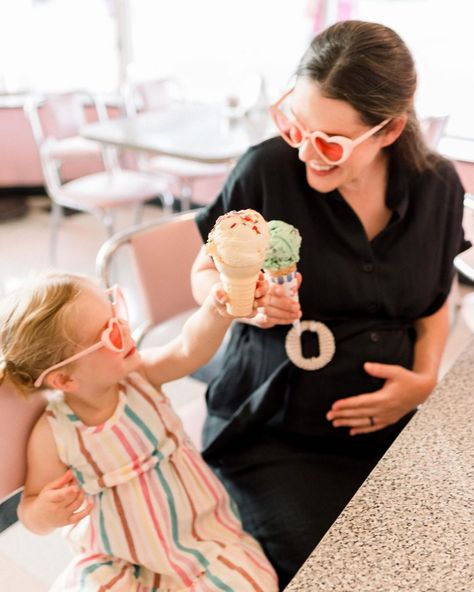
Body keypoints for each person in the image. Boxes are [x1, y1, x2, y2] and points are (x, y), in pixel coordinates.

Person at [190, 20, 469, 589]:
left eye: (331, 141)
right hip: (274, 427)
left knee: (446, 553)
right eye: (297, 125)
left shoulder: (437, 187)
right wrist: (235, 302)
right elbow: (202, 271)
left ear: (389, 130)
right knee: (344, 572)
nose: (306, 152)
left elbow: (434, 300)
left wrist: (424, 379)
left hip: (396, 422)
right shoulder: (265, 170)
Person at [0, 271, 278, 591]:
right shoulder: (53, 434)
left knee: (253, 583)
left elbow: (188, 349)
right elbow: (31, 506)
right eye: (111, 335)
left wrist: (215, 312)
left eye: (117, 314)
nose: (126, 330)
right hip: (117, 557)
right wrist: (44, 512)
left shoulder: (141, 376)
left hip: (202, 538)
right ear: (64, 380)